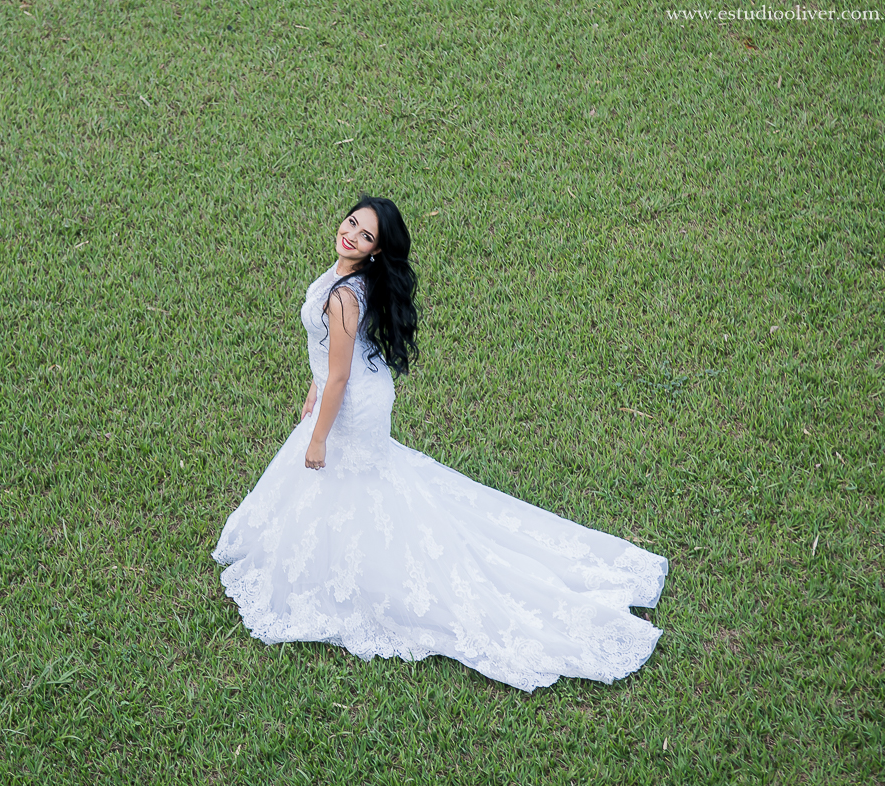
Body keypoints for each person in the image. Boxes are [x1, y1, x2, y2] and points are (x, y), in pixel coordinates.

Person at [212, 195, 668, 692]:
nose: (351, 236)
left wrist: (318, 435)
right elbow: (327, 353)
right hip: (355, 385)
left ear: (375, 252)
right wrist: (312, 392)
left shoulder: (344, 294)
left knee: (339, 471)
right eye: (351, 224)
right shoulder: (343, 276)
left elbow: (340, 374)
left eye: (366, 236)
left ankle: (361, 572)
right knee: (345, 479)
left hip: (354, 396)